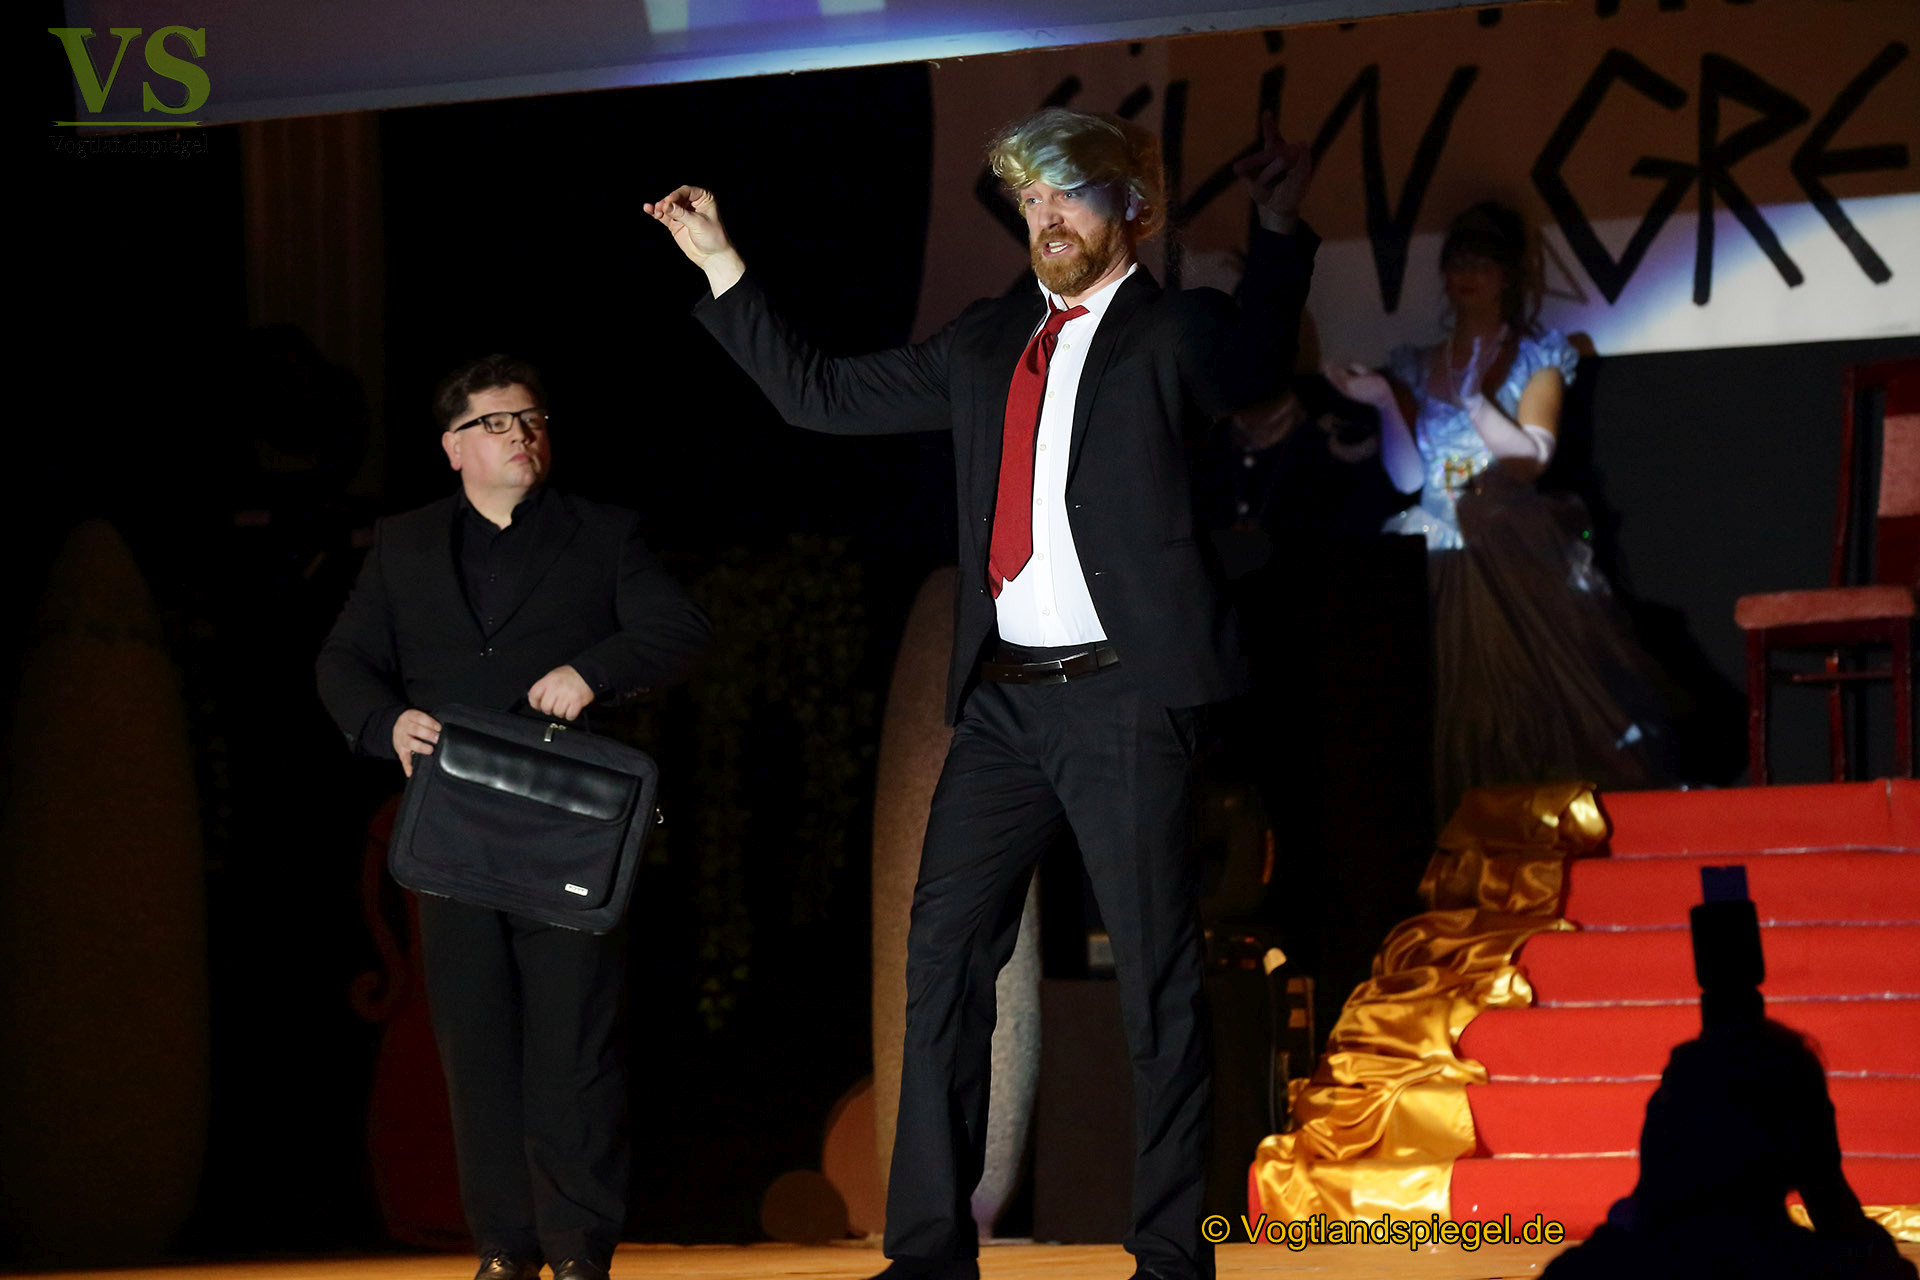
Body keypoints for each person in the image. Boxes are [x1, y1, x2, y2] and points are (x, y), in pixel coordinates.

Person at [645, 107, 1317, 1280]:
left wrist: (1276, 220)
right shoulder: (988, 337)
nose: (1046, 219)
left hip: (1126, 694)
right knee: (941, 960)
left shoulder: (1171, 331)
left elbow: (1256, 362)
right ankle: (927, 1254)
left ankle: (1170, 1254)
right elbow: (818, 395)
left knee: (1157, 979)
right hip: (1006, 701)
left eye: (1070, 195)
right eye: (1030, 200)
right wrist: (720, 263)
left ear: (1129, 208)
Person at [315, 355, 711, 1280]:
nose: (521, 436)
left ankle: (577, 1250)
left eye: (532, 419)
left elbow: (679, 629)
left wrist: (592, 671)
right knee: (475, 1044)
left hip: (568, 827)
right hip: (453, 828)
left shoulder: (602, 534)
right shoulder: (406, 544)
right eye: (496, 423)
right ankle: (503, 1244)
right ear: (453, 447)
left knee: (574, 1046)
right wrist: (385, 722)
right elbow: (342, 662)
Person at [1324, 201, 1670, 824]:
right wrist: (1382, 402)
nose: (1466, 274)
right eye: (1457, 261)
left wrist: (1477, 401)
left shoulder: (1539, 358)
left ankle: (1535, 828)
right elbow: (1409, 478)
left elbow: (1530, 460)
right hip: (1432, 543)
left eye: (1481, 262)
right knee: (1436, 698)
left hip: (1507, 542)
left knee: (1520, 694)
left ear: (1508, 274)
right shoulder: (1416, 363)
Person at [1542, 1019, 1918, 1279]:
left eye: (1664, 1102)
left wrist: (1640, 1208)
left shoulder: (1601, 1271)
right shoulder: (1840, 1270)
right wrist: (1828, 1189)